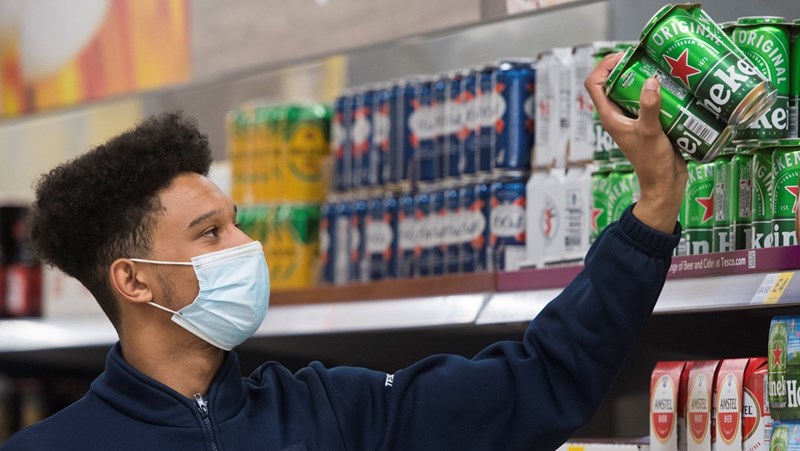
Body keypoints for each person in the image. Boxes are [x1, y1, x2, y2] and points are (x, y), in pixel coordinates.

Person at [1, 52, 687, 451]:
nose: (247, 246)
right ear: (134, 281)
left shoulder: (335, 411)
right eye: (210, 233)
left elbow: (537, 384)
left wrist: (653, 207)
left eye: (238, 224)